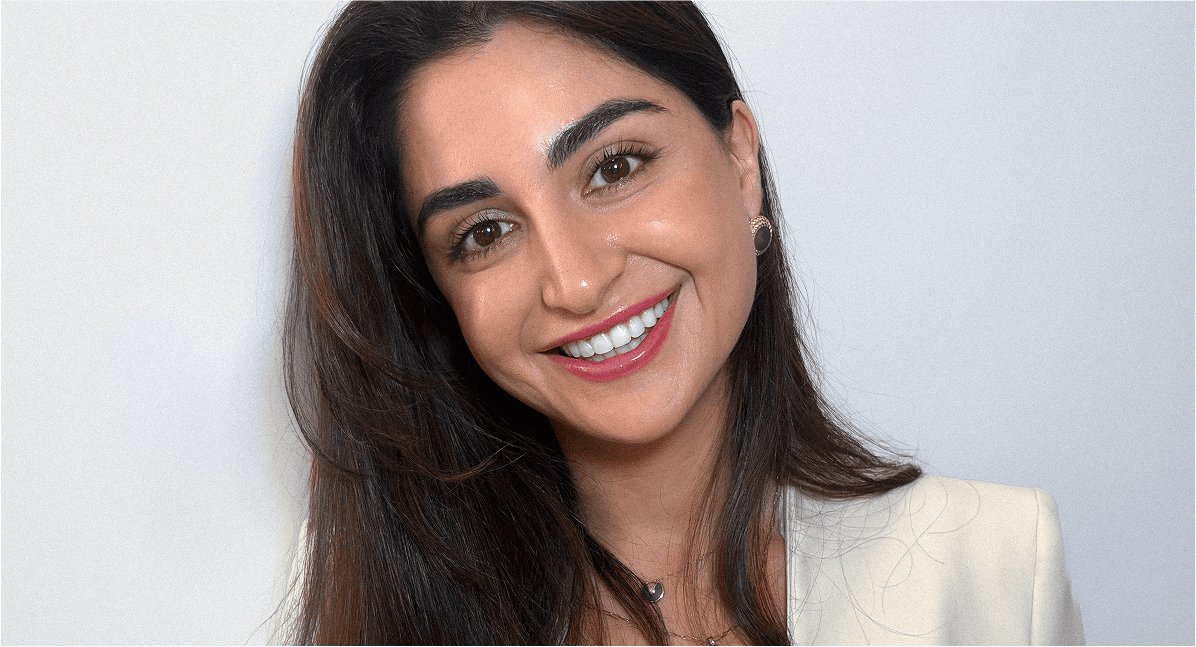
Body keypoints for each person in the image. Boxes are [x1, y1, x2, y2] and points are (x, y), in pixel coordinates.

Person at [280, 1, 1084, 644]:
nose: (578, 280)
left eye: (614, 167)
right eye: (484, 232)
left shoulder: (996, 567)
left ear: (739, 162)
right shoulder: (396, 623)